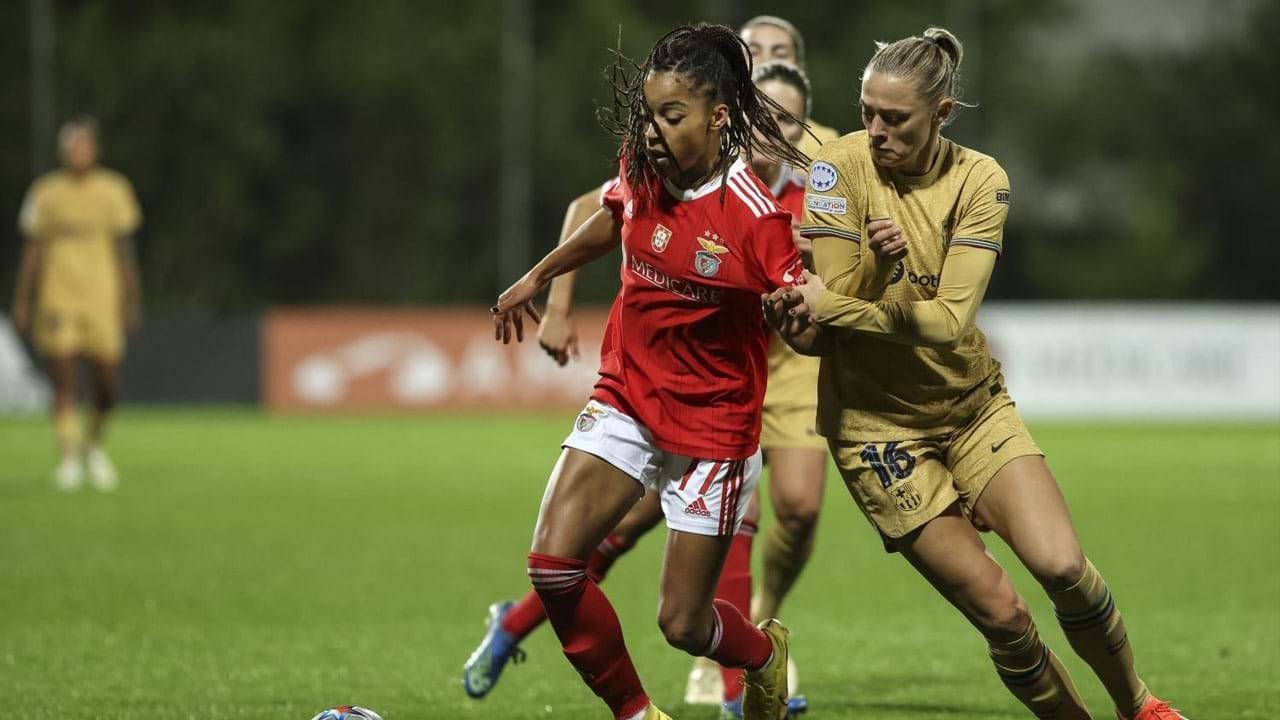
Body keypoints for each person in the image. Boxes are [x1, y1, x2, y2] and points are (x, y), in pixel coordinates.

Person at [765, 27, 1187, 720]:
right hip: (878, 433)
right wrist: (823, 310)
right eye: (867, 111)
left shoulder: (981, 179)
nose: (874, 131)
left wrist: (870, 288)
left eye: (894, 118)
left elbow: (949, 319)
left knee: (1063, 571)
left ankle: (1137, 705)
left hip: (969, 407)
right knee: (1003, 615)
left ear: (942, 113)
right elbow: (826, 322)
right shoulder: (835, 169)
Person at [465, 61, 824, 720]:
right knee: (554, 565)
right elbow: (609, 215)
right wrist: (539, 278)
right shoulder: (642, 169)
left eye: (671, 115)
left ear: (719, 117)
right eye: (648, 113)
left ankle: (763, 658)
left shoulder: (757, 214)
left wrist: (803, 315)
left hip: (715, 432)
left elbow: (805, 315)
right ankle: (635, 712)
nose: (653, 130)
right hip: (627, 398)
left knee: (684, 625)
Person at [12, 116, 143, 492]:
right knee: (63, 375)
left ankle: (93, 445)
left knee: (107, 385)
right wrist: (23, 299)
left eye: (84, 146)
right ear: (62, 151)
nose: (78, 153)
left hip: (102, 295)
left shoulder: (115, 189)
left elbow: (125, 250)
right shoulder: (45, 193)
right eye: (72, 147)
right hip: (58, 294)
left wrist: (132, 299)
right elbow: (32, 251)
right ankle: (68, 456)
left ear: (95, 150)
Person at [739, 16, 839, 160]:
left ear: (800, 69)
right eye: (753, 52)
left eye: (780, 54)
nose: (766, 62)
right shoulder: (711, 131)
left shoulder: (824, 143)